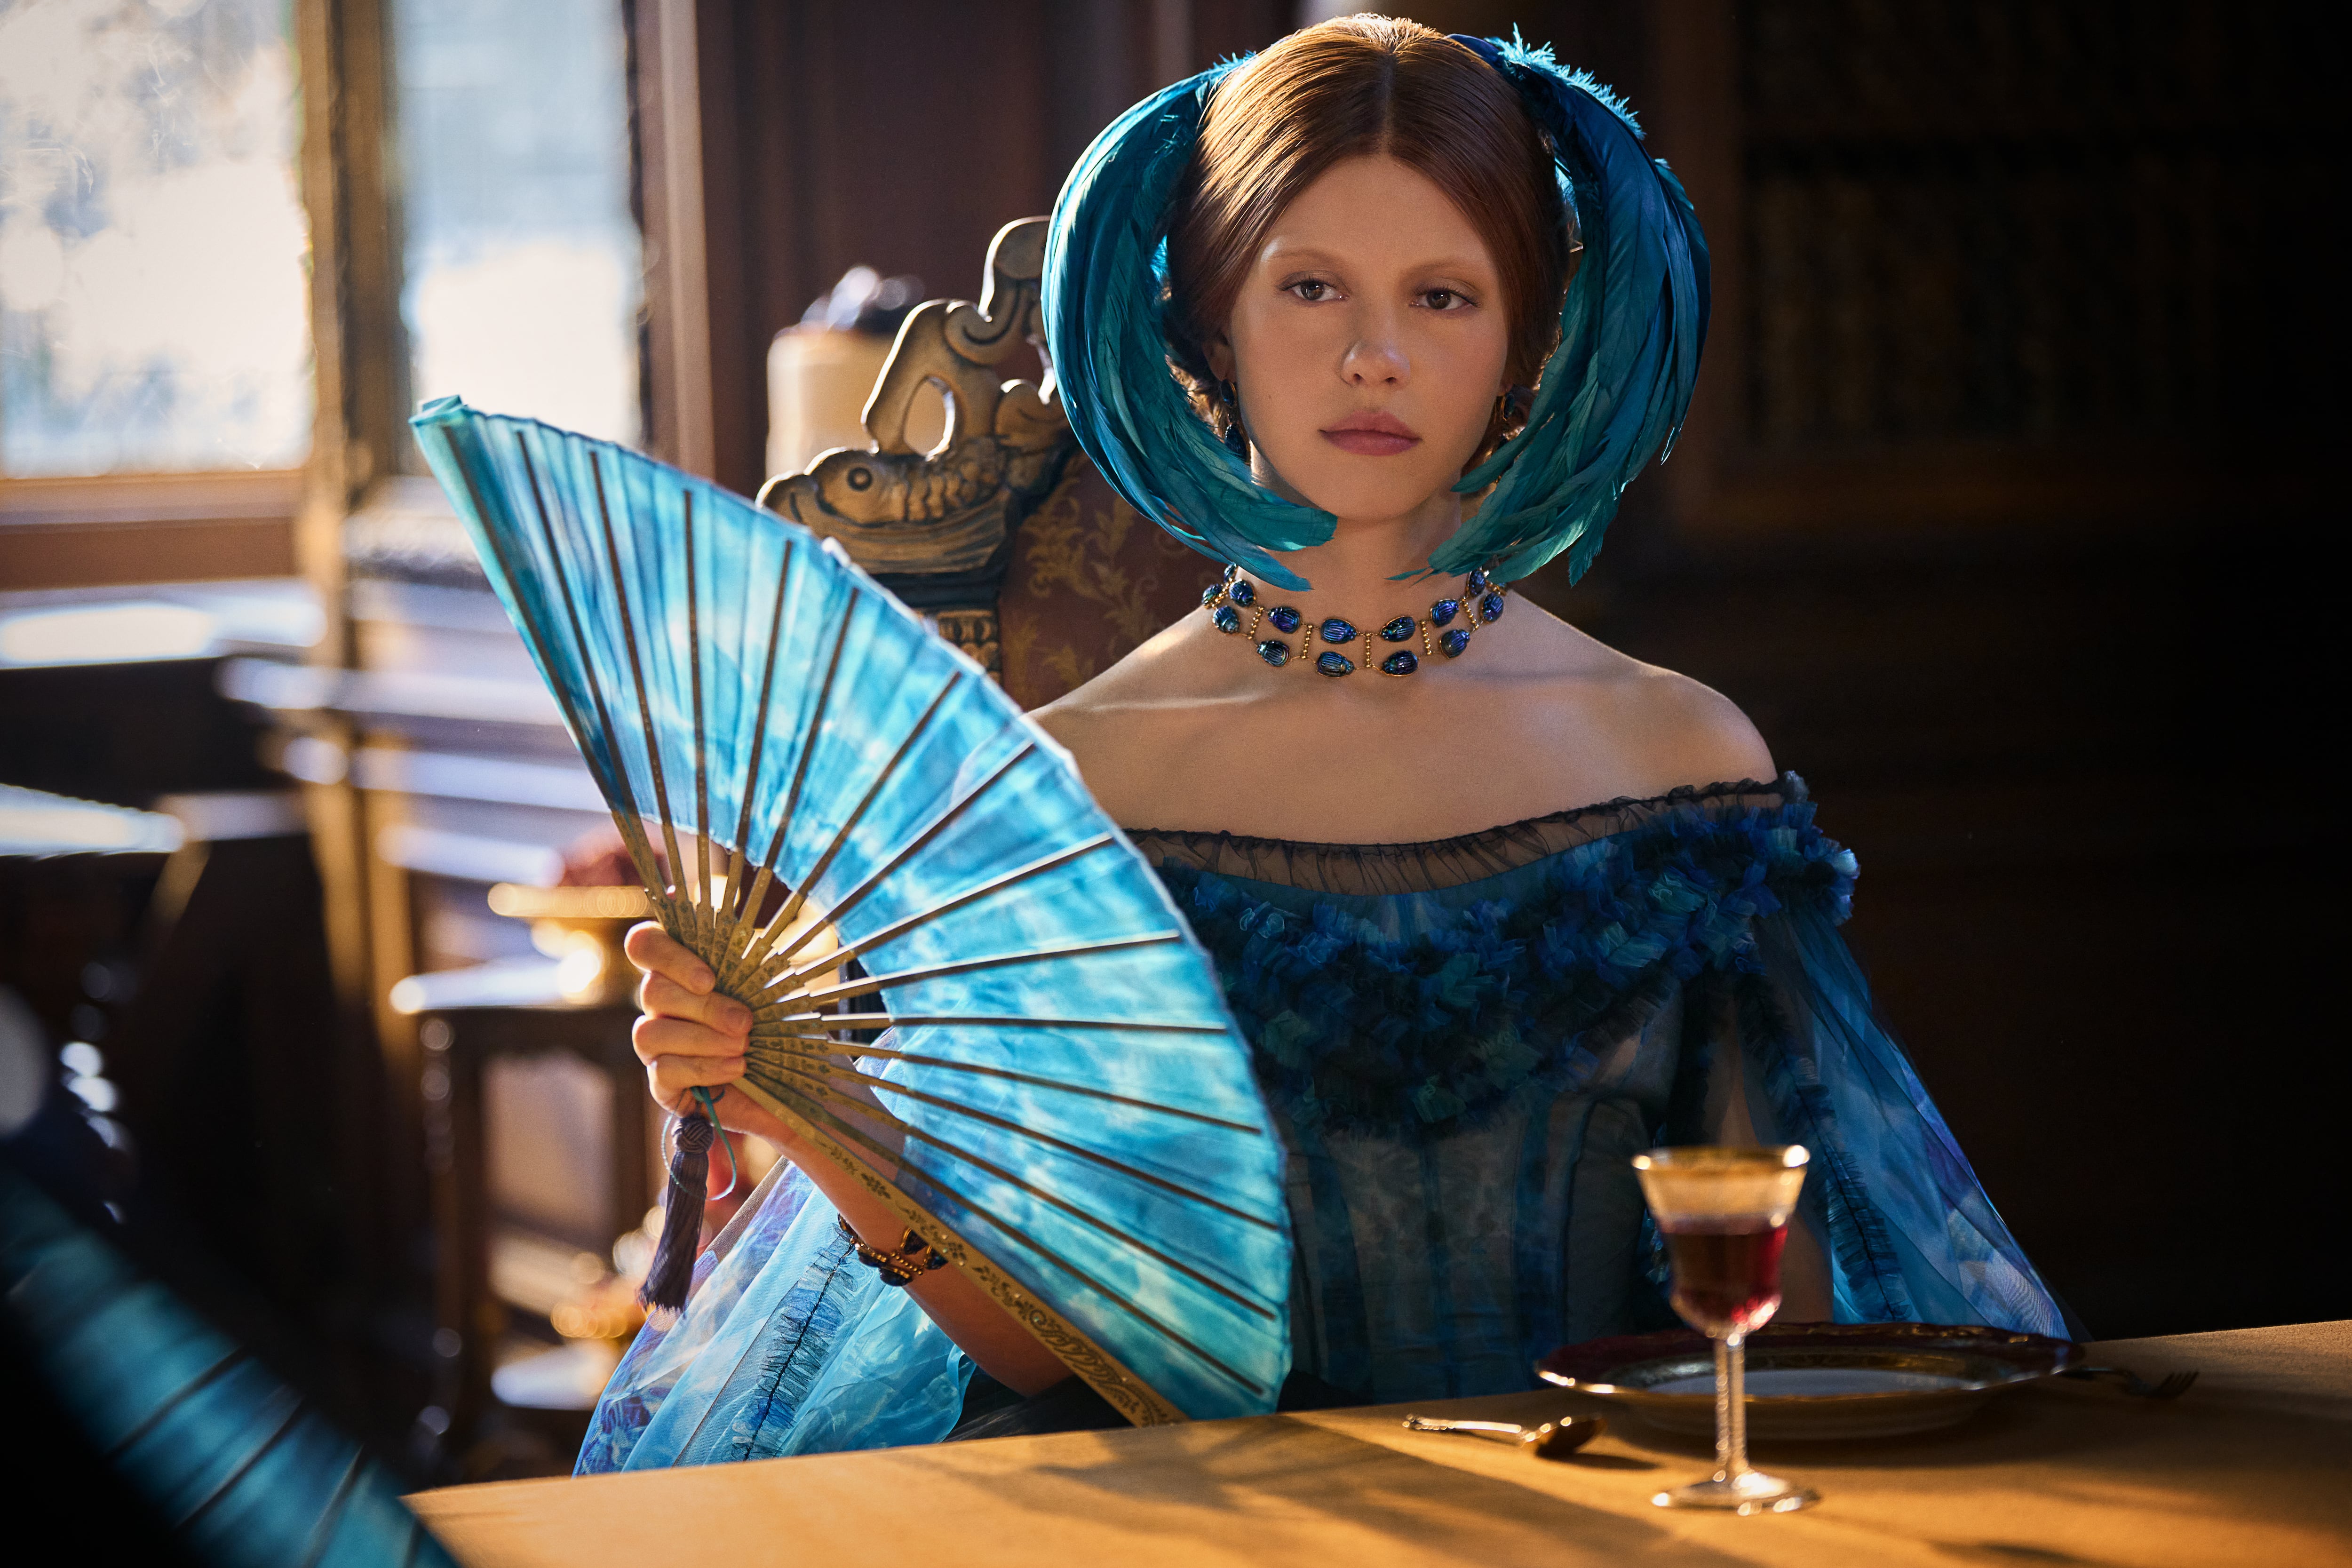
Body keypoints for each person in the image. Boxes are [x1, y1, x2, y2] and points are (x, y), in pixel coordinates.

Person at [580, 16, 2066, 1472]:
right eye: (1310, 288)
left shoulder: (1679, 759)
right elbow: (1047, 1354)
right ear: (1209, 324)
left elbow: (1785, 1316)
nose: (1373, 357)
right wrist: (821, 1115)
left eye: (1443, 297)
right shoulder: (1068, 783)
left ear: (1522, 349)